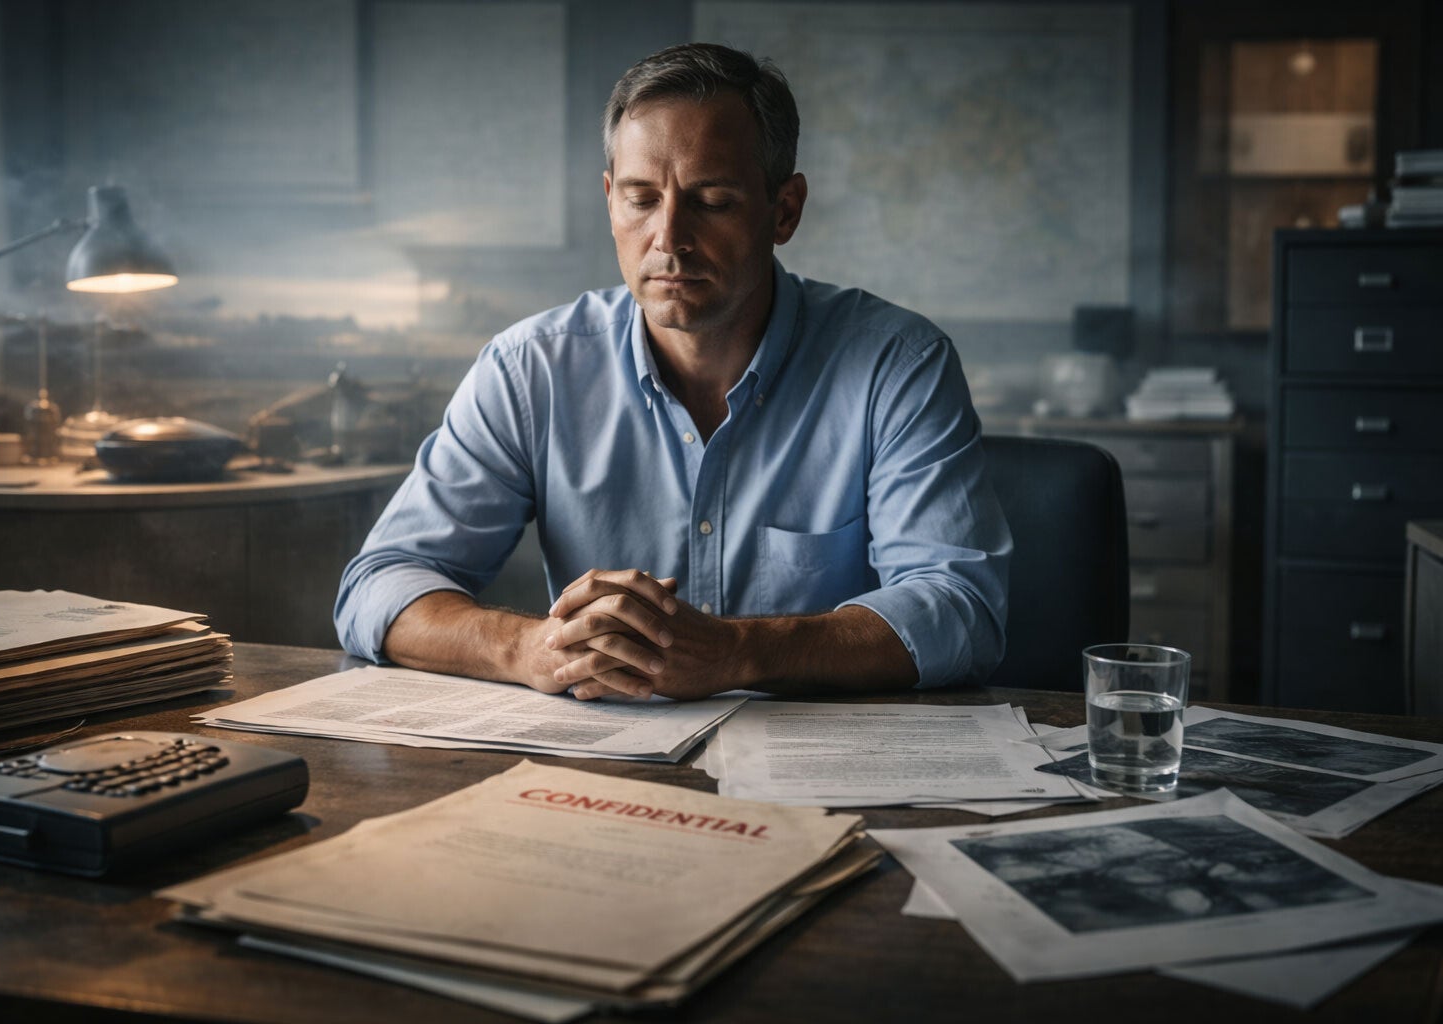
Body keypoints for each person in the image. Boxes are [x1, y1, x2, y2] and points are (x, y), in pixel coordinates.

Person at [335, 42, 1010, 702]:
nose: (668, 238)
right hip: (601, 767)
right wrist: (527, 649)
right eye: (640, 199)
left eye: (712, 201)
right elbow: (380, 585)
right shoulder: (530, 368)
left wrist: (741, 652)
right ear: (610, 202)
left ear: (784, 210)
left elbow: (959, 609)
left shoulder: (896, 364)